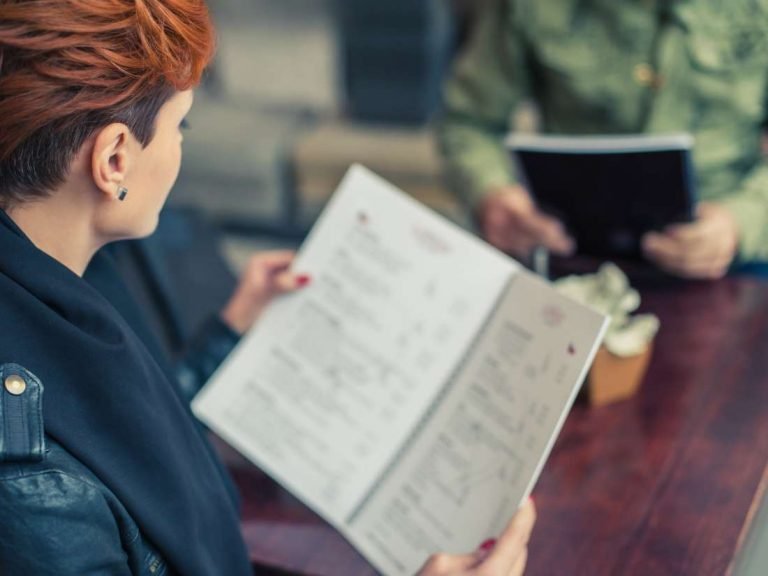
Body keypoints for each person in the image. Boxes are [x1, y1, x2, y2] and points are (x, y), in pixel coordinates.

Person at [0, 1, 535, 574]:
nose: (180, 143)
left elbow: (121, 436)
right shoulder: (27, 484)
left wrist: (228, 332)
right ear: (114, 160)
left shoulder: (67, 277)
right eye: (180, 125)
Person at [438, 0, 768, 279]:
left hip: (729, 261)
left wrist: (741, 223)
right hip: (568, 253)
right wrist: (492, 194)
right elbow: (468, 122)